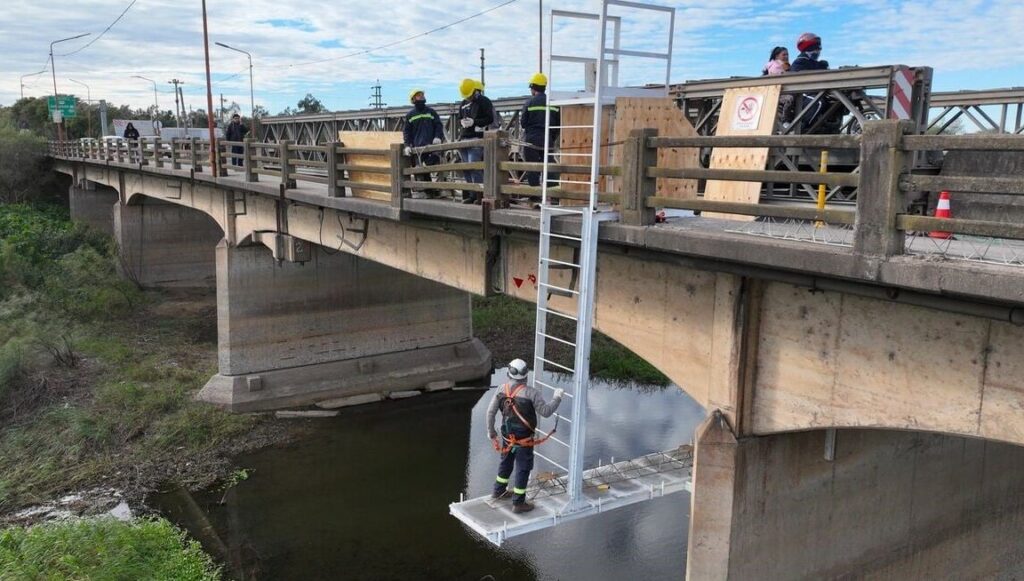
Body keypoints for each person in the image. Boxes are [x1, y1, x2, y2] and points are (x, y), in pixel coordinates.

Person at [486, 358, 564, 514]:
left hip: (507, 437)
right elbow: (546, 412)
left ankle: (499, 491)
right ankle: (518, 503)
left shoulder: (501, 389)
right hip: (524, 441)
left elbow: (490, 412)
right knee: (523, 468)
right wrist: (557, 397)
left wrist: (491, 432)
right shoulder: (531, 393)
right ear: (526, 376)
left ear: (509, 374)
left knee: (506, 462)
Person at [519, 73, 561, 195]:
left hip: (531, 139)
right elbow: (558, 124)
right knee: (549, 166)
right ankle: (553, 195)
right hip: (548, 139)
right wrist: (552, 137)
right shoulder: (553, 103)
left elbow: (523, 123)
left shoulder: (529, 103)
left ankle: (535, 196)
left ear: (533, 87)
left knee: (533, 168)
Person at [457, 78, 494, 204]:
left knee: (475, 166)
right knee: (466, 168)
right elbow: (459, 118)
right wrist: (462, 123)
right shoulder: (463, 103)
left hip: (476, 138)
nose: (468, 98)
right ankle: (472, 194)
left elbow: (490, 118)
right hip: (464, 138)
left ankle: (479, 195)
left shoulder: (484, 101)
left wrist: (475, 122)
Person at [403, 89, 445, 198]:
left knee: (435, 165)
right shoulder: (410, 115)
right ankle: (425, 192)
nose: (421, 97)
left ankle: (439, 190)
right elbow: (407, 132)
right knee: (420, 171)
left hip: (431, 146)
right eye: (418, 95)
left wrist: (437, 137)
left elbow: (438, 126)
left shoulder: (431, 112)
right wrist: (407, 145)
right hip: (418, 149)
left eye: (422, 95)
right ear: (413, 99)